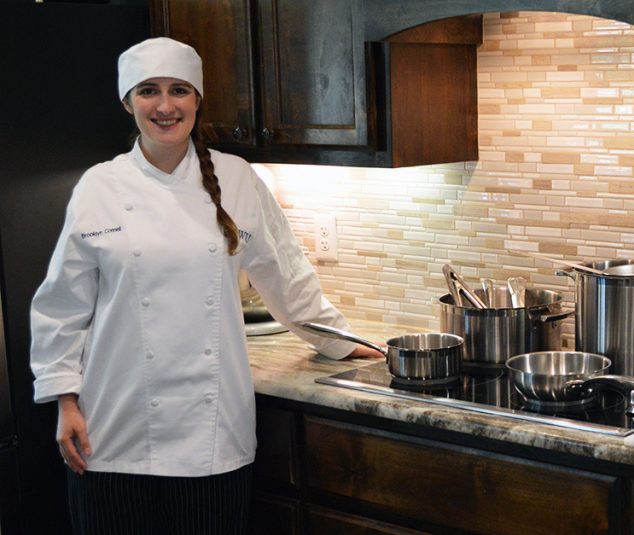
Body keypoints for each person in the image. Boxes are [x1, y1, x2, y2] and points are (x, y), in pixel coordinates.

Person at [29, 37, 381, 534]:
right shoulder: (98, 187)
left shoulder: (237, 180)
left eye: (179, 90)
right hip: (111, 425)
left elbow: (285, 274)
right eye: (149, 91)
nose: (166, 105)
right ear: (128, 102)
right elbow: (62, 306)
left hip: (210, 434)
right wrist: (65, 400)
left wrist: (341, 342)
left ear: (197, 100)